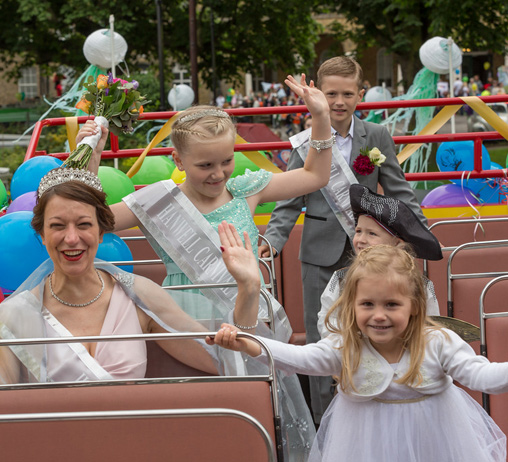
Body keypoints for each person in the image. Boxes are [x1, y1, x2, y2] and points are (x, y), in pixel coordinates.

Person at [76, 73, 332, 460]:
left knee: (257, 414)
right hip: (184, 319)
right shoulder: (154, 203)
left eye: (226, 161)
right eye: (205, 164)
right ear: (177, 159)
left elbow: (315, 174)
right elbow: (92, 219)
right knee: (200, 418)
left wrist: (321, 117)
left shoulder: (247, 189)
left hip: (248, 315)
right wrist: (91, 160)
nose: (218, 173)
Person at [0, 168, 262, 386]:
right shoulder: (15, 314)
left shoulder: (138, 295)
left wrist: (248, 288)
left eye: (84, 225)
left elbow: (227, 359)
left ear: (101, 232)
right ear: (42, 234)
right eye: (57, 226)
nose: (71, 238)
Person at [208, 245, 508, 462]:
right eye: (367, 304)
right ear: (352, 304)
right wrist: (247, 343)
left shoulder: (438, 341)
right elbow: (301, 358)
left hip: (436, 442)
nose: (379, 315)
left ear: (415, 305)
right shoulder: (346, 344)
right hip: (365, 445)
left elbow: (483, 376)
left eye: (391, 304)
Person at [259, 56, 427, 424]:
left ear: (360, 94)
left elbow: (398, 189)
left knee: (374, 331)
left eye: (347, 93)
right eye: (331, 93)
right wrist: (271, 241)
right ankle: (324, 422)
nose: (338, 101)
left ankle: (373, 408)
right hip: (318, 253)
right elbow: (290, 201)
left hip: (371, 254)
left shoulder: (376, 136)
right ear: (318, 93)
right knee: (324, 338)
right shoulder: (306, 141)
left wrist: (419, 231)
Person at [316, 184, 443, 340]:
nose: (361, 240)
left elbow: (430, 325)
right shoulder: (341, 279)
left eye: (372, 234)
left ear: (398, 244)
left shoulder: (419, 284)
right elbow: (327, 320)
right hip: (354, 355)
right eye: (358, 231)